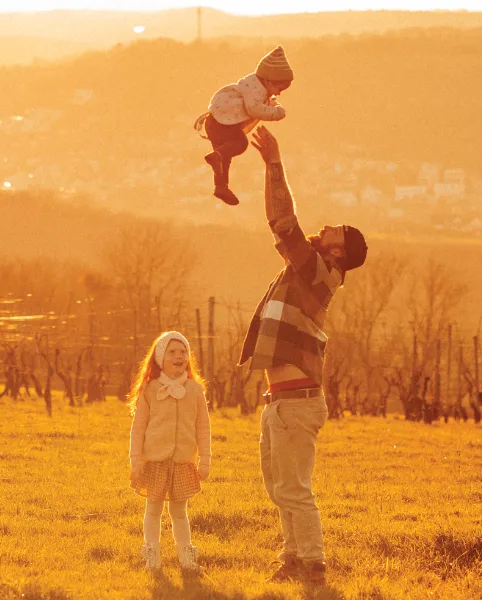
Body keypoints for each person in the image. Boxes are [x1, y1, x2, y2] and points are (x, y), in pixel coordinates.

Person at [235, 127, 366, 585]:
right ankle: (292, 559)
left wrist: (274, 164)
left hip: (295, 401)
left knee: (294, 489)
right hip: (281, 402)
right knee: (280, 489)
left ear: (338, 250)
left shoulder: (318, 272)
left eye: (338, 230)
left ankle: (312, 564)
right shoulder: (311, 269)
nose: (330, 225)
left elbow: (283, 221)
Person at [127, 332, 212, 573]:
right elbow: (138, 428)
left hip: (182, 463)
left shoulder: (195, 391)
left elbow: (203, 428)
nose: (179, 356)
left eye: (183, 352)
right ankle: (152, 556)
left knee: (179, 512)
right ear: (160, 357)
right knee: (152, 511)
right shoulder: (151, 389)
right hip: (154, 462)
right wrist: (135, 461)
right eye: (172, 352)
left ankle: (187, 557)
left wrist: (205, 460)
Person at [196, 46, 293, 206]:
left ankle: (221, 186)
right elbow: (254, 109)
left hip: (214, 122)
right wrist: (277, 112)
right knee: (240, 144)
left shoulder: (255, 87)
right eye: (279, 88)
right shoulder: (256, 89)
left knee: (222, 158)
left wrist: (270, 102)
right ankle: (219, 168)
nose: (279, 93)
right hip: (223, 125)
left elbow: (255, 104)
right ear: (269, 81)